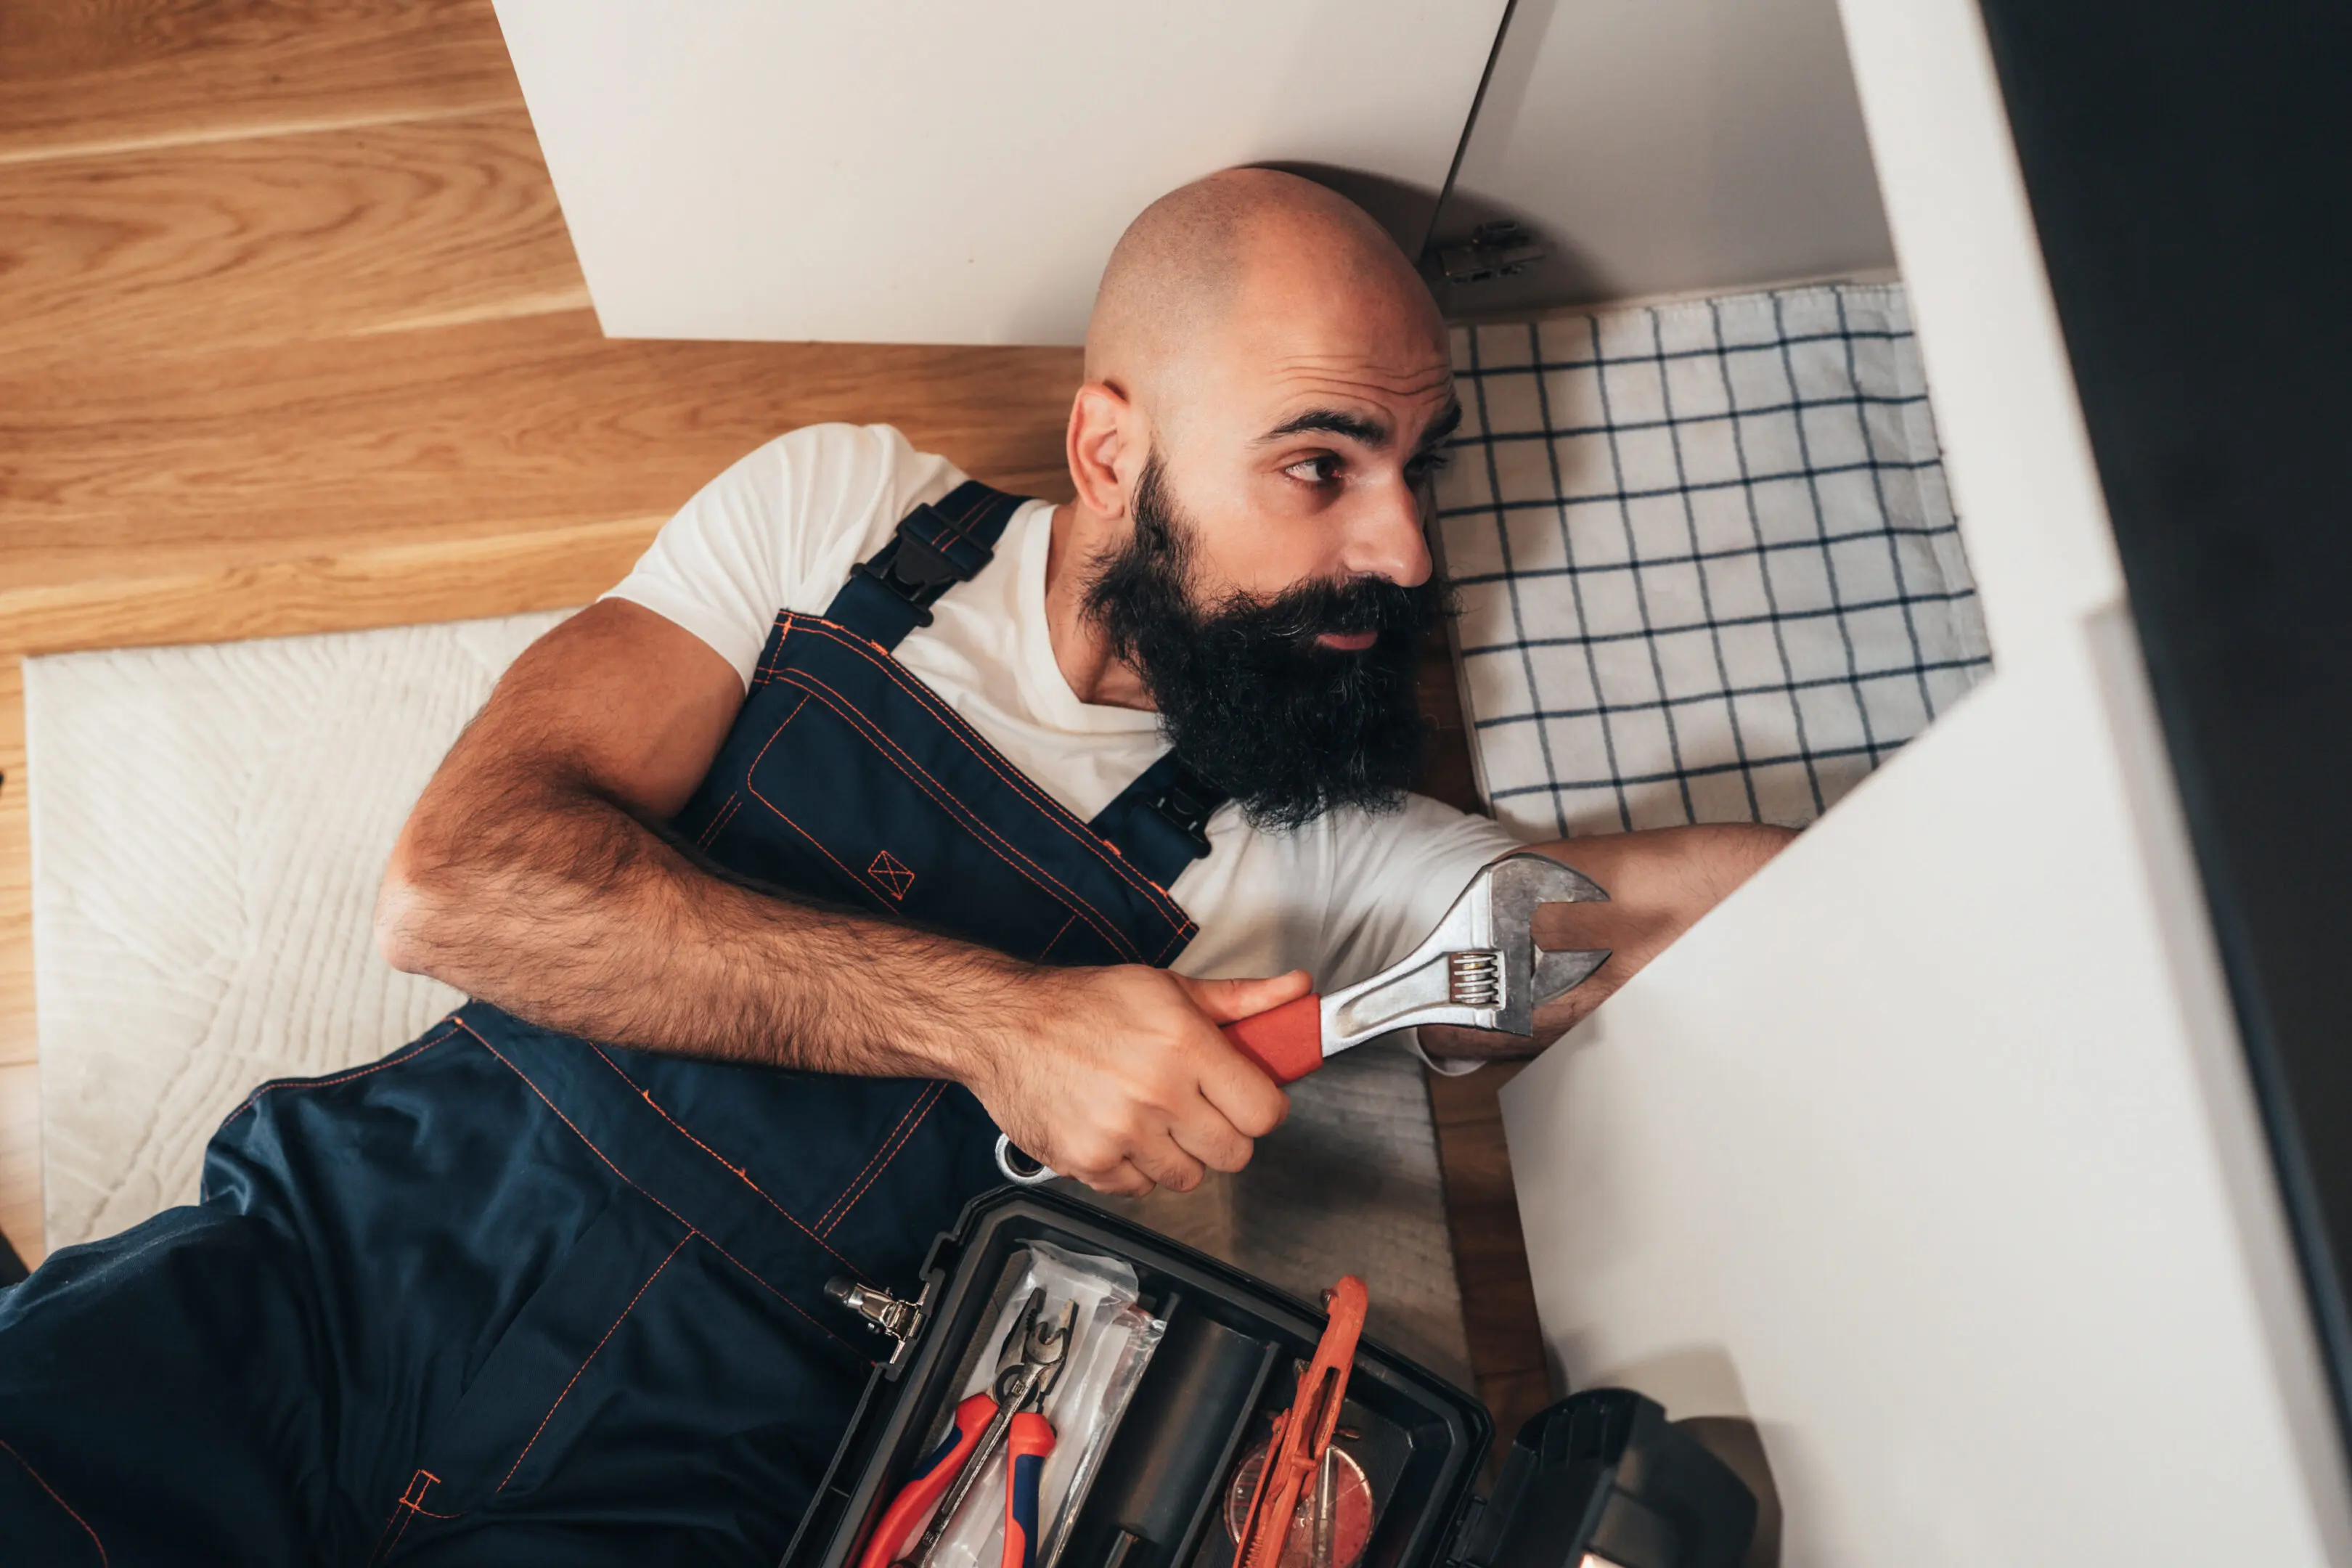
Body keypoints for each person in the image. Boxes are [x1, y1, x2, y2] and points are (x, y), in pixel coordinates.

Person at [0, 170, 1789, 1565]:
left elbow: (1669, 929)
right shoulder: (849, 522)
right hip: (340, 1268)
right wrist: (1002, 1025)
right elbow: (462, 884)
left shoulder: (1323, 840)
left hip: (688, 1478)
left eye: (1417, 467)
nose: (1399, 547)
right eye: (1321, 463)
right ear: (1111, 447)